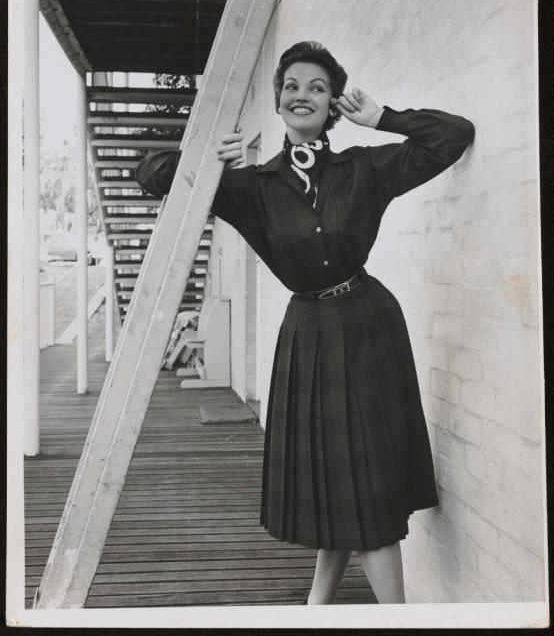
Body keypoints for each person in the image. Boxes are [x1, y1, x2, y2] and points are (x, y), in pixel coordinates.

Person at [136, 41, 474, 604]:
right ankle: (317, 605)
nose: (302, 95)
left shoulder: (363, 168)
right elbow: (149, 176)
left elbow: (453, 136)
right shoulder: (250, 186)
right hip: (309, 336)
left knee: (363, 485)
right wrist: (202, 158)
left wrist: (383, 118)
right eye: (291, 86)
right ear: (277, 101)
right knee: (336, 480)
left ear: (333, 103)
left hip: (368, 329)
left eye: (317, 87)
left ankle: (393, 619)